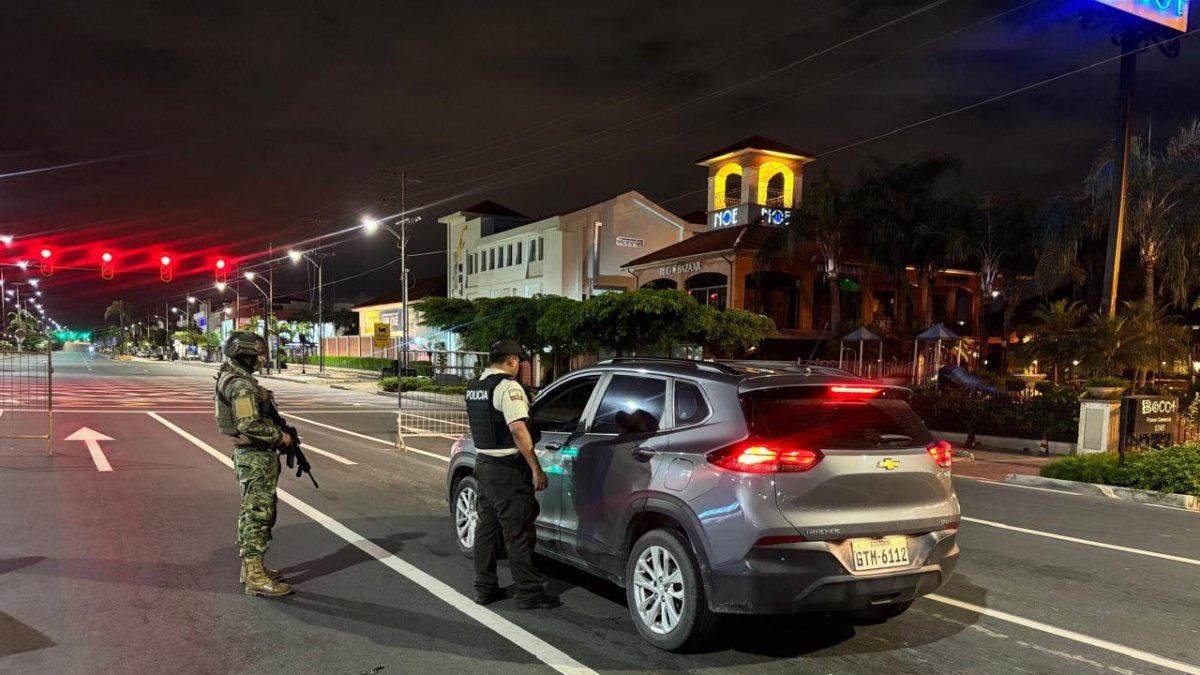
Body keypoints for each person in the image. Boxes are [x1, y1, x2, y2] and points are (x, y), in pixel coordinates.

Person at [466, 339, 560, 610]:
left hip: (484, 465)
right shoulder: (507, 388)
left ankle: (485, 589)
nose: (519, 366)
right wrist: (535, 468)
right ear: (511, 361)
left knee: (486, 528)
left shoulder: (476, 387)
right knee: (518, 531)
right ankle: (529, 592)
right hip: (508, 470)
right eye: (519, 361)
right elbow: (519, 430)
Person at [214, 331, 294, 597]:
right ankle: (255, 576)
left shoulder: (237, 378)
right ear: (244, 355)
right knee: (258, 514)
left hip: (254, 456)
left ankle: (251, 569)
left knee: (255, 511)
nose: (261, 359)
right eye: (257, 355)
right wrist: (279, 437)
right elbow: (248, 424)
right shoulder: (241, 385)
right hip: (255, 457)